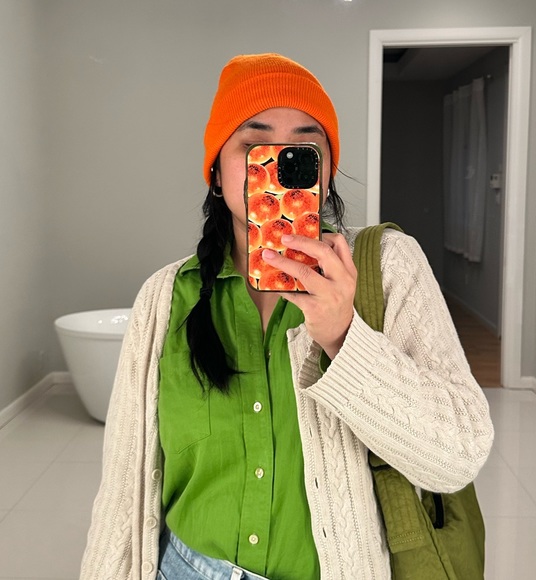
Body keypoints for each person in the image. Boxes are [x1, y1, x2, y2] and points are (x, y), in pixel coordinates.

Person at [80, 53, 494, 580]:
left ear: (325, 172)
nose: (277, 165)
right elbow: (122, 492)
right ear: (216, 171)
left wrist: (345, 338)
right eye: (254, 145)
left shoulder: (388, 268)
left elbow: (457, 458)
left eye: (301, 149)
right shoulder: (164, 298)